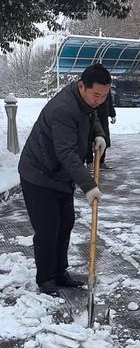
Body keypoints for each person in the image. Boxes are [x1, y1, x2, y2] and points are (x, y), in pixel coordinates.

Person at [18, 64, 111, 296]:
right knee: (48, 229)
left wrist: (98, 133)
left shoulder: (86, 101)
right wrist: (89, 185)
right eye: (96, 95)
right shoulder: (63, 109)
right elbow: (66, 153)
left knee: (65, 223)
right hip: (39, 174)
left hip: (60, 175)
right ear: (82, 86)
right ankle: (46, 278)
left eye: (105, 95)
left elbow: (93, 115)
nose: (100, 100)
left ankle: (60, 272)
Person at [86, 89, 116, 170]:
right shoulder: (91, 85)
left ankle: (101, 162)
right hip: (91, 115)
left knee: (104, 139)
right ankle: (89, 162)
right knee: (89, 140)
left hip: (103, 117)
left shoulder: (106, 87)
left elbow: (109, 101)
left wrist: (112, 114)